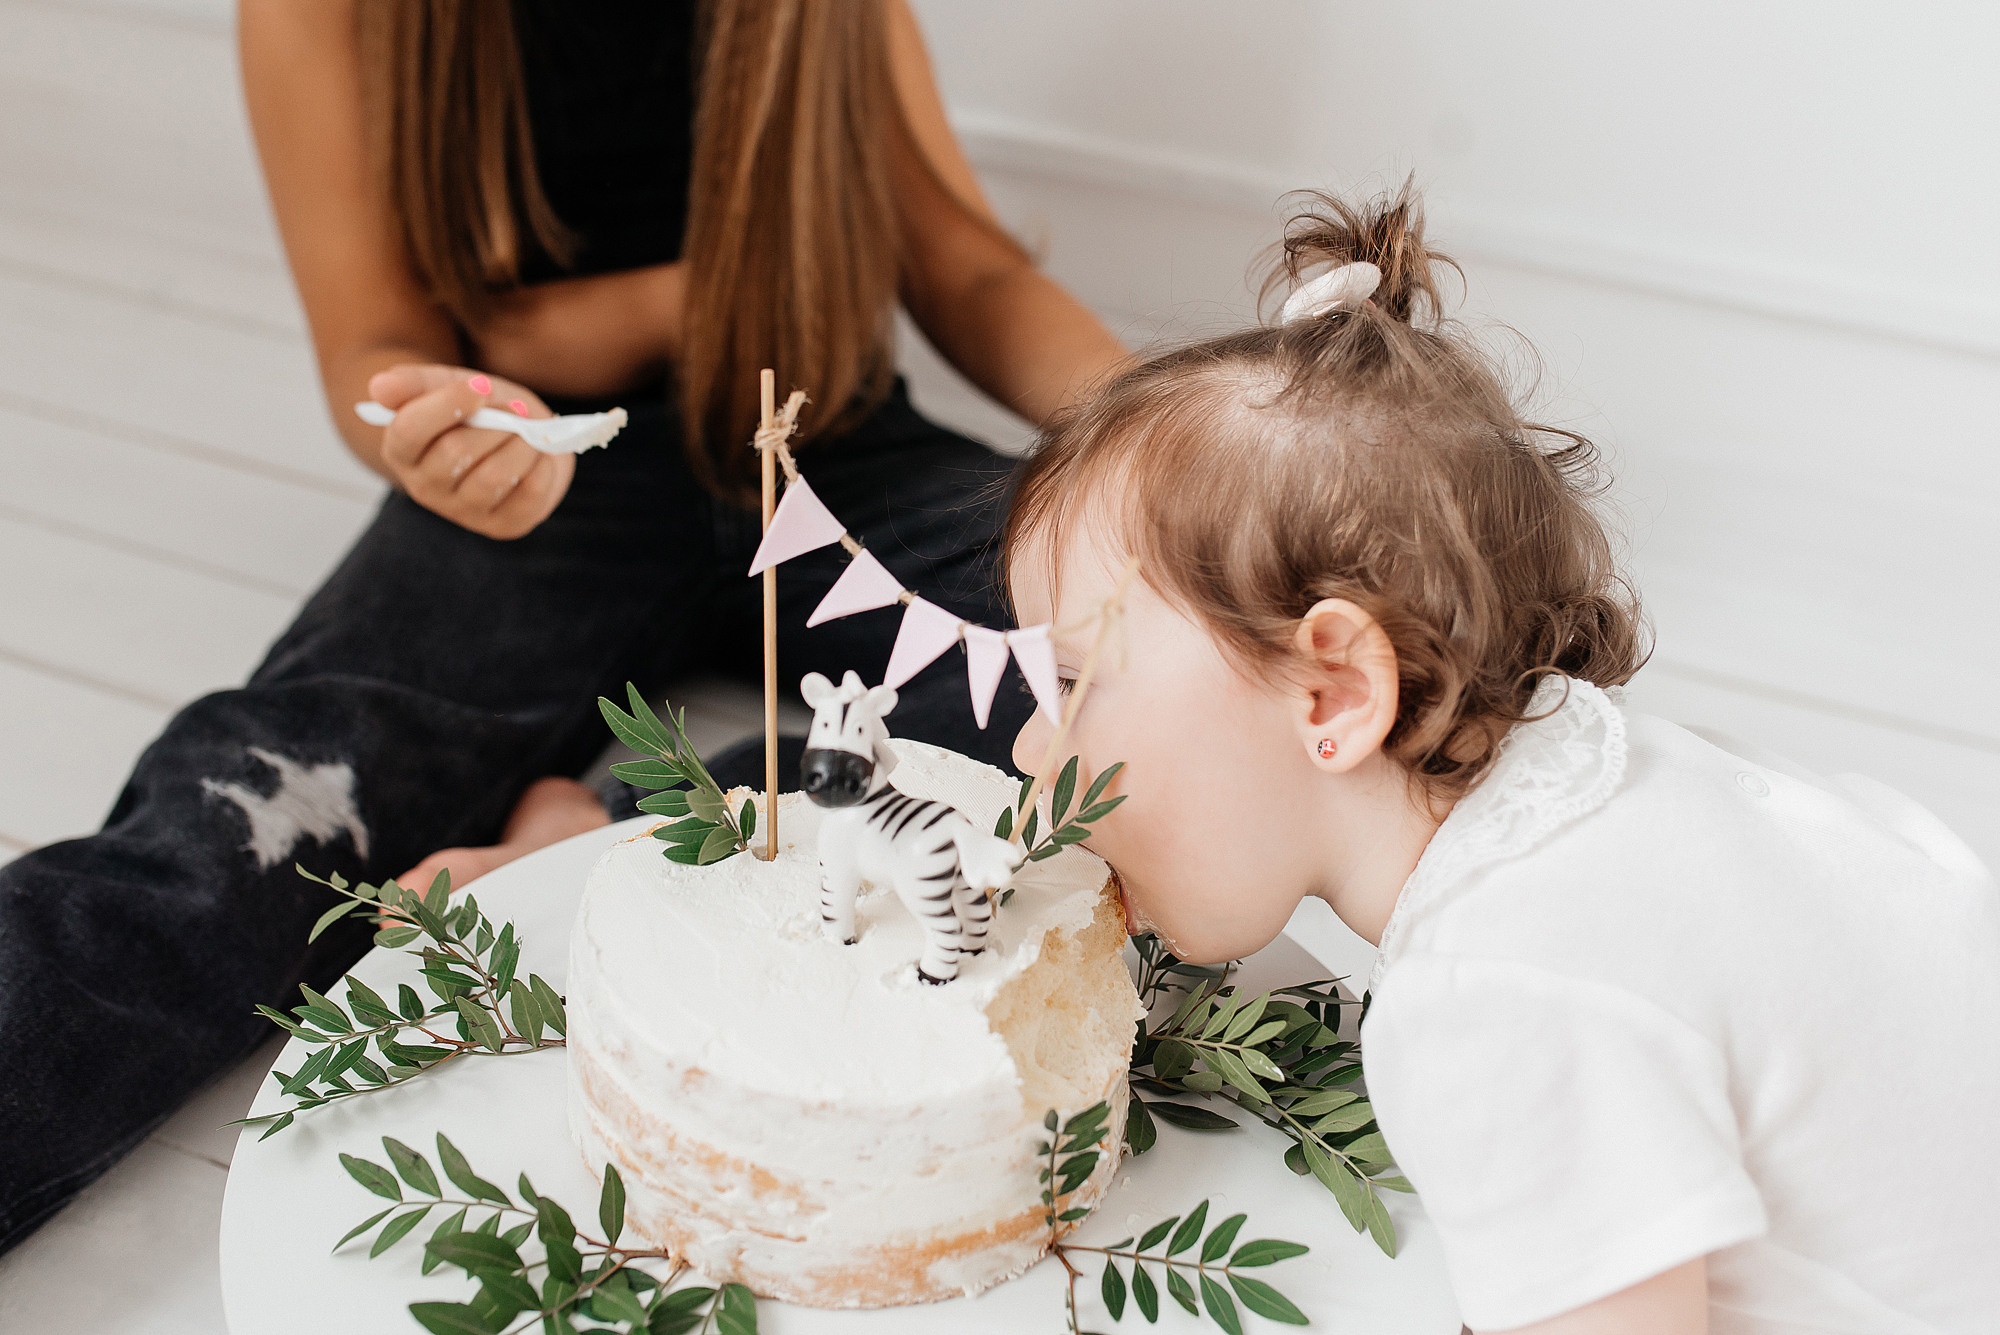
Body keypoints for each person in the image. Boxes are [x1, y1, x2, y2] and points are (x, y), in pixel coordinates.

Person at [0, 0, 1123, 1254]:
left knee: (1120, 677)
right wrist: (454, 422)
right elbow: (376, 344)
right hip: (540, 479)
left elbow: (969, 268)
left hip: (834, 446)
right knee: (245, 819)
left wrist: (1156, 444)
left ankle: (607, 837)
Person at [1002, 187, 2000, 1333]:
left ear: (1334, 692)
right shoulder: (1615, 774)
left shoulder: (1496, 992)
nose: (1029, 745)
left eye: (1071, 682)